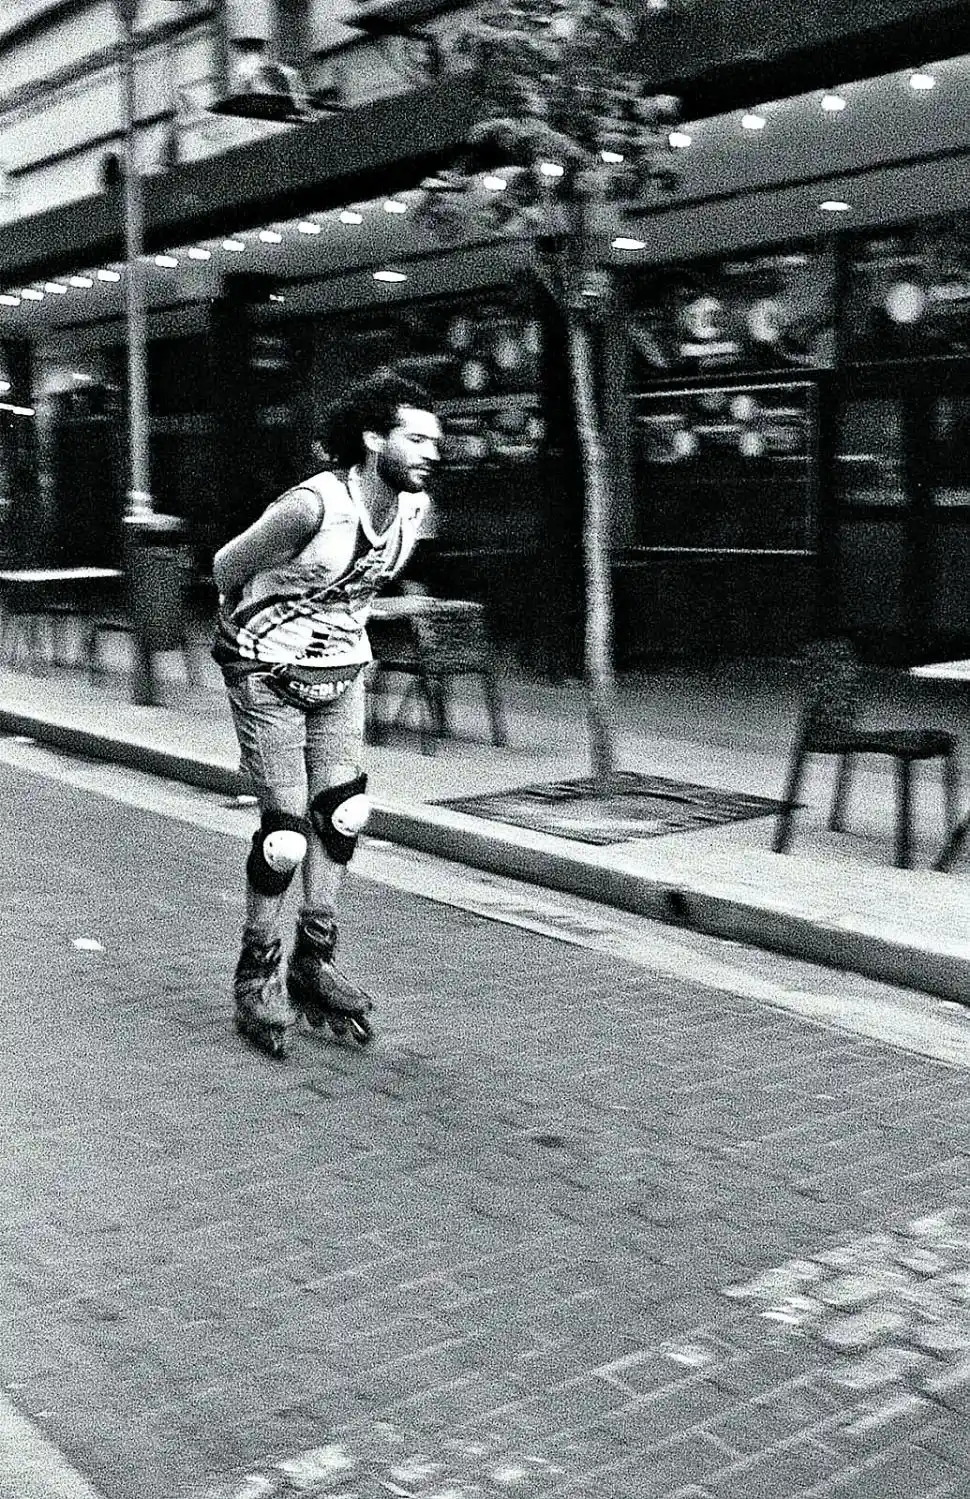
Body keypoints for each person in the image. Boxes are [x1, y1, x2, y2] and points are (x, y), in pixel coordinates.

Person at [212, 370, 442, 1058]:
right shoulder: (312, 508)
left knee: (344, 813)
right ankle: (257, 971)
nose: (431, 451)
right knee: (284, 836)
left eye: (436, 440)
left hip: (341, 669)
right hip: (266, 669)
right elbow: (226, 566)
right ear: (372, 439)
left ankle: (313, 960)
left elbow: (363, 583)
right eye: (416, 438)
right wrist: (269, 622)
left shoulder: (414, 509)